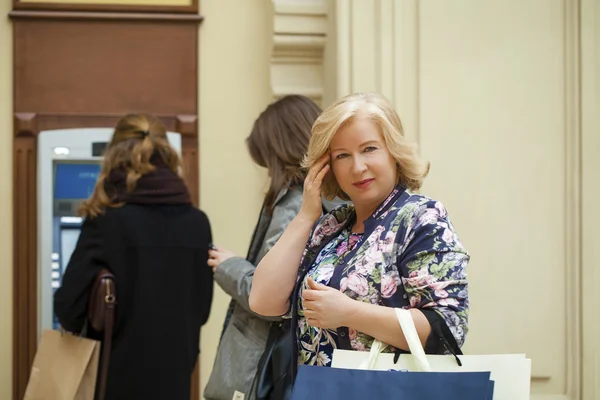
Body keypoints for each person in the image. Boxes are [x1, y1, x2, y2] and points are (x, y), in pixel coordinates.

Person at [249, 92, 469, 376]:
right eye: (342, 155)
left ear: (393, 151)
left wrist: (349, 313)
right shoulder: (331, 227)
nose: (357, 167)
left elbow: (448, 328)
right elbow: (263, 301)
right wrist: (305, 216)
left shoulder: (421, 218)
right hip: (318, 391)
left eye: (369, 149)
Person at [54, 113, 214, 400]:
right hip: (174, 382)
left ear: (114, 156)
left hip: (113, 381)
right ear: (168, 155)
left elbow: (68, 309)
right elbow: (201, 310)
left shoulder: (106, 222)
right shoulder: (197, 223)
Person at [204, 95, 333, 400]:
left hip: (270, 367)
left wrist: (228, 266)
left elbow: (270, 298)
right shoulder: (333, 199)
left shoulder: (294, 205)